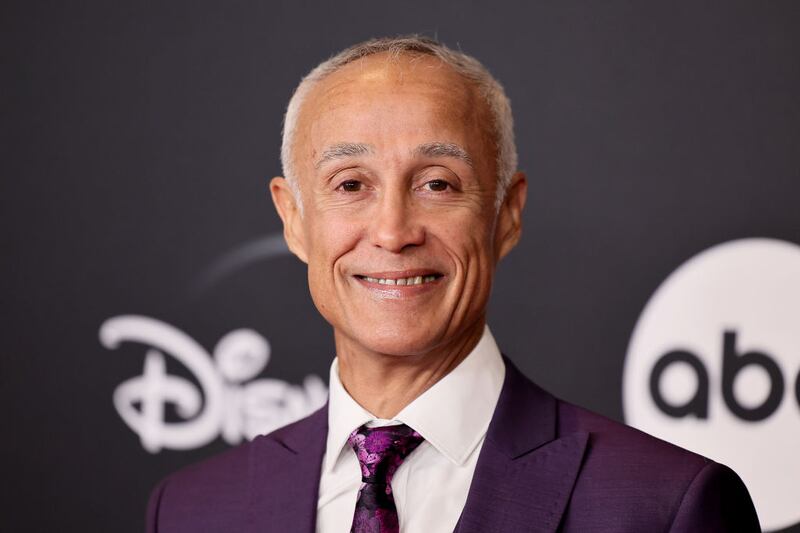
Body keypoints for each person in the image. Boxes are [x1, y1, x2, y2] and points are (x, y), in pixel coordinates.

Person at [145, 36, 760, 532]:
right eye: (350, 184)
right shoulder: (190, 511)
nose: (392, 231)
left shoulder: (664, 506)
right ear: (294, 219)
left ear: (507, 214)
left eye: (437, 183)